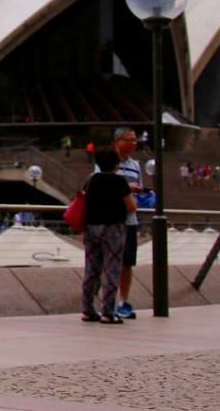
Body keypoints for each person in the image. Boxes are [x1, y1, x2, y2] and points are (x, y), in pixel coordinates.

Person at [81, 148, 136, 324]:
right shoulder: (119, 181)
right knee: (112, 270)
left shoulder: (91, 179)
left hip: (91, 227)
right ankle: (108, 312)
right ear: (116, 164)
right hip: (113, 228)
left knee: (91, 270)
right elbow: (131, 207)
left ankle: (87, 310)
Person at [105, 127, 143, 320]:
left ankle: (123, 302)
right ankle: (108, 302)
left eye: (135, 140)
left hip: (130, 220)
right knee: (110, 262)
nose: (133, 144)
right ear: (117, 141)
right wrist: (126, 187)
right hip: (111, 218)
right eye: (129, 140)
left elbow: (139, 189)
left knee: (127, 263)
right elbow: (101, 184)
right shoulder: (106, 161)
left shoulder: (136, 165)